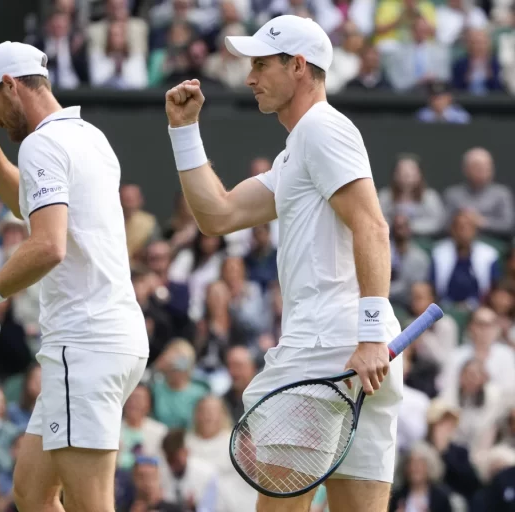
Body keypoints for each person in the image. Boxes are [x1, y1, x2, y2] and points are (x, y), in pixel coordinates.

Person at [165, 14, 403, 512]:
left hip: (330, 350)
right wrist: (184, 132)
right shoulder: (299, 149)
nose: (250, 77)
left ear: (297, 66)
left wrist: (370, 335)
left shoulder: (322, 130)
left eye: (261, 65)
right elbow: (219, 214)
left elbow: (372, 226)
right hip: (354, 352)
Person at [0, 41, 149, 512]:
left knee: (92, 505)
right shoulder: (88, 135)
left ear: (10, 86)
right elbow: (26, 207)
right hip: (110, 340)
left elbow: (47, 245)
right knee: (31, 492)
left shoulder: (42, 143)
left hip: (84, 347)